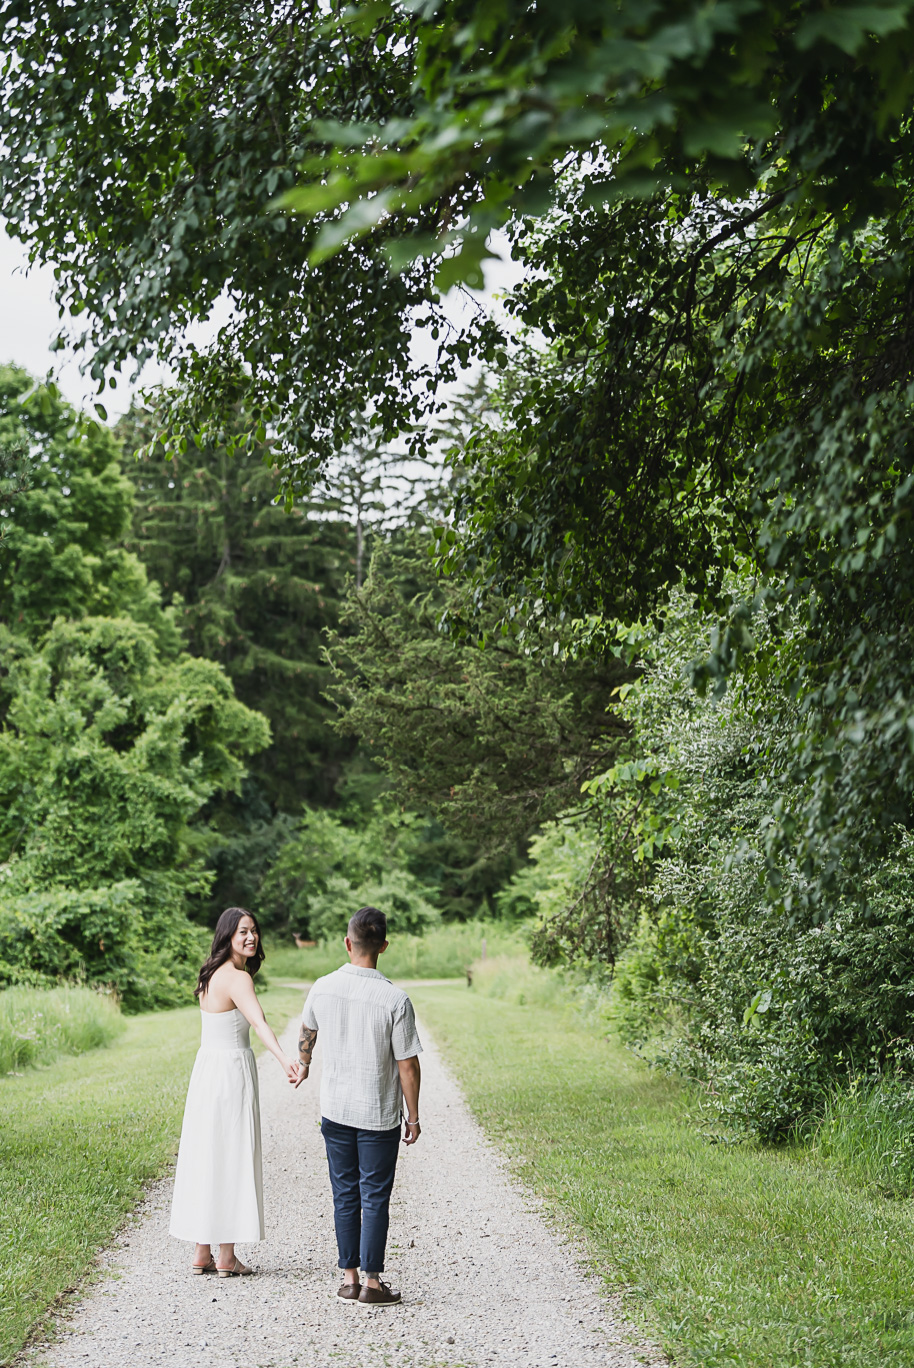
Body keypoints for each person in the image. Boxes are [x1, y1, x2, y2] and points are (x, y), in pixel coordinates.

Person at [297, 905, 422, 1306]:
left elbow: (307, 1030)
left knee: (344, 1192)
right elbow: (407, 1064)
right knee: (374, 1196)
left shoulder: (323, 986)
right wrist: (414, 1116)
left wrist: (304, 1064)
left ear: (347, 942)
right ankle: (372, 1283)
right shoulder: (394, 999)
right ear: (383, 946)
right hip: (377, 1114)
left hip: (334, 1110)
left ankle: (348, 1278)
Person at [169, 906, 301, 1276]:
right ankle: (225, 1256)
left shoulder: (210, 973)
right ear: (227, 934)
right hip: (231, 1071)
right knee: (232, 1154)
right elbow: (259, 1023)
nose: (251, 937)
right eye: (243, 931)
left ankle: (201, 1251)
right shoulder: (238, 979)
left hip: (206, 1071)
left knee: (207, 1153)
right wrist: (282, 1058)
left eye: (254, 931)